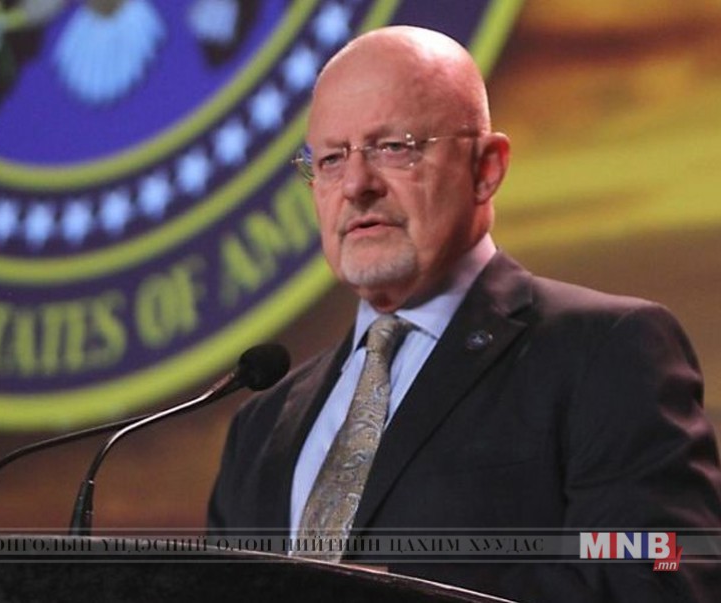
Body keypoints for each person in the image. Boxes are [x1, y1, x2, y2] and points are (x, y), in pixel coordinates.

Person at [207, 25, 721, 602]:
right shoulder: (261, 424)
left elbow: (658, 569)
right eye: (330, 159)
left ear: (486, 168)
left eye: (394, 147)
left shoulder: (605, 352)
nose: (356, 184)